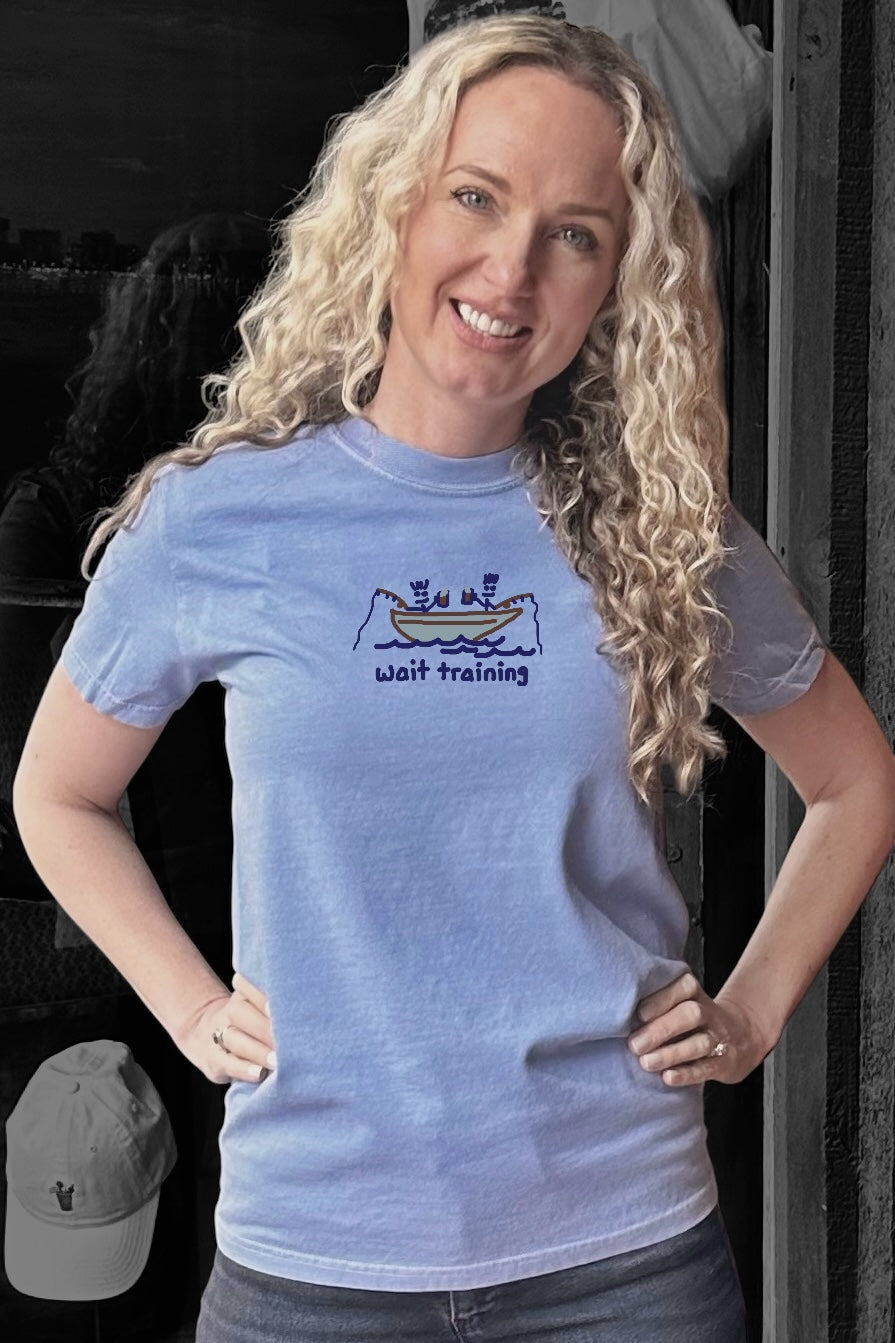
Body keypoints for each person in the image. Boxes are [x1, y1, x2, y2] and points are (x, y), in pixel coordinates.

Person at [11, 16, 895, 1342]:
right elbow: (59, 795)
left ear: (614, 284)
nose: (512, 268)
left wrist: (754, 1012)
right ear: (397, 206)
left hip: (624, 1259)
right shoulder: (221, 521)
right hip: (315, 1257)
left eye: (575, 233)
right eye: (476, 197)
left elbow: (854, 781)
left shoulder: (662, 527)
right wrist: (189, 1007)